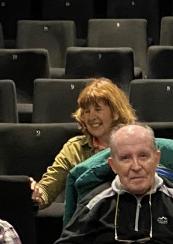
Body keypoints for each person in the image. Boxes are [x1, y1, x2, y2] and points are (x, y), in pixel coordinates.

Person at [30, 77, 137, 209]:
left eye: (98, 109)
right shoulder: (74, 148)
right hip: (86, 222)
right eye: (86, 111)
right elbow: (49, 187)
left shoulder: (136, 143)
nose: (91, 117)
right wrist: (36, 194)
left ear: (115, 113)